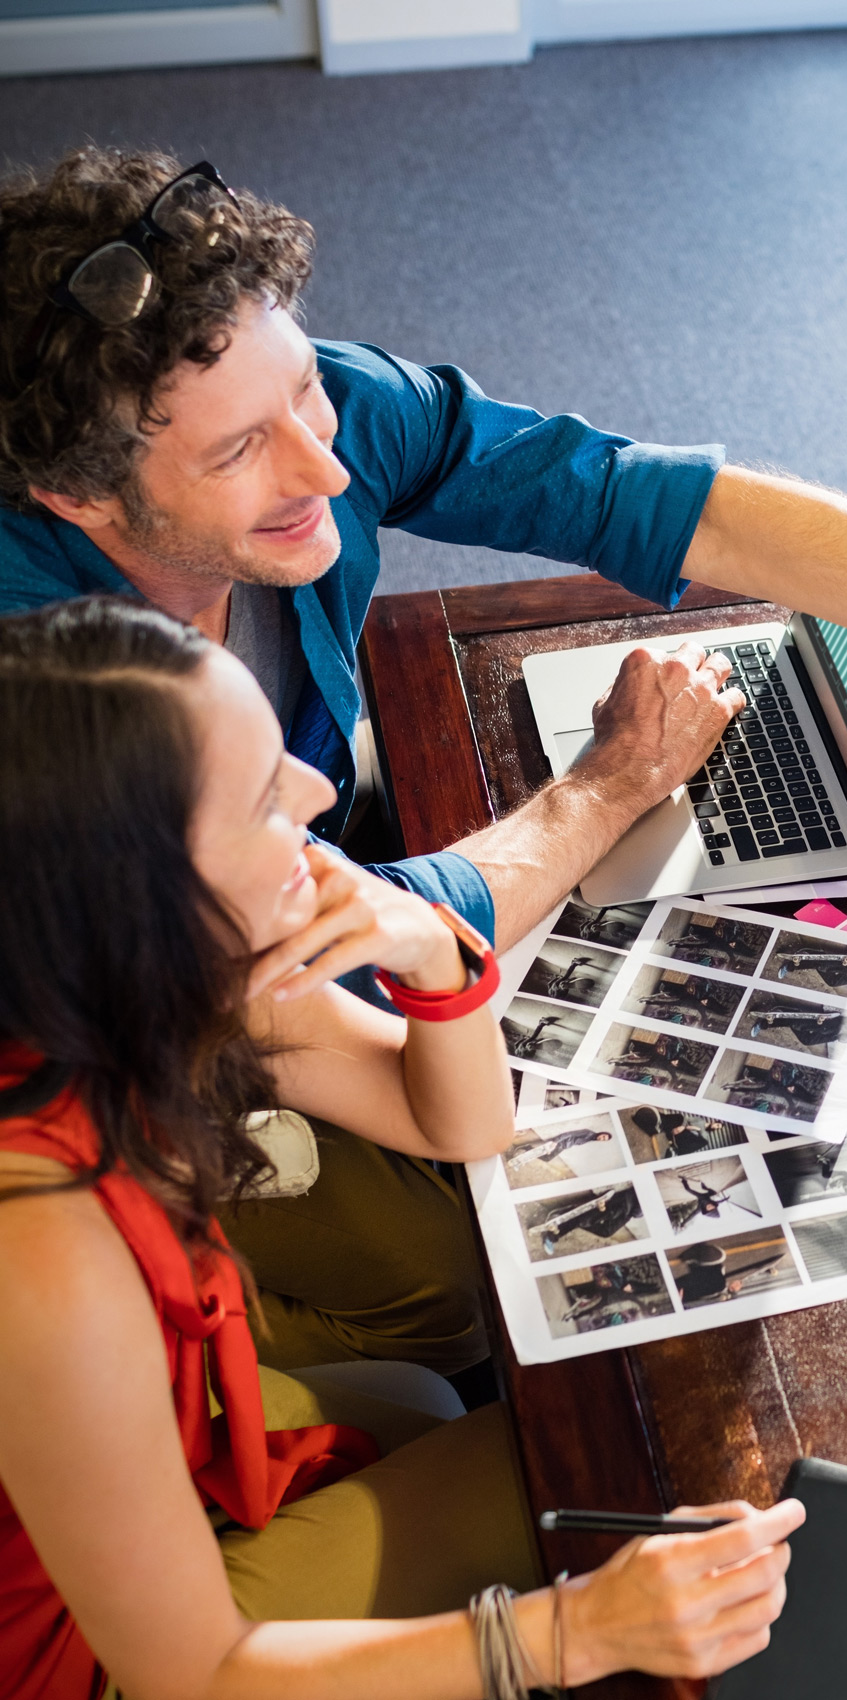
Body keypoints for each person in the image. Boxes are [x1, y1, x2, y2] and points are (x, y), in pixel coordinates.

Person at [0, 145, 847, 972]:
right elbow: (320, 950)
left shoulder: (324, 405)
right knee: (440, 1286)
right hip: (154, 1038)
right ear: (73, 492)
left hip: (313, 873)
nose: (329, 469)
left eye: (309, 398)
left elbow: (688, 511)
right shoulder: (39, 698)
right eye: (241, 456)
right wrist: (606, 787)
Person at [0, 598, 803, 1699]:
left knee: (492, 1411)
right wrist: (568, 1629)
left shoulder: (161, 970)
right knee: (609, 1481)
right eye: (258, 796)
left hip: (149, 1444)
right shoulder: (41, 1250)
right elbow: (193, 1668)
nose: (322, 793)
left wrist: (433, 954)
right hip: (89, 1657)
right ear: (142, 898)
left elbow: (460, 1123)